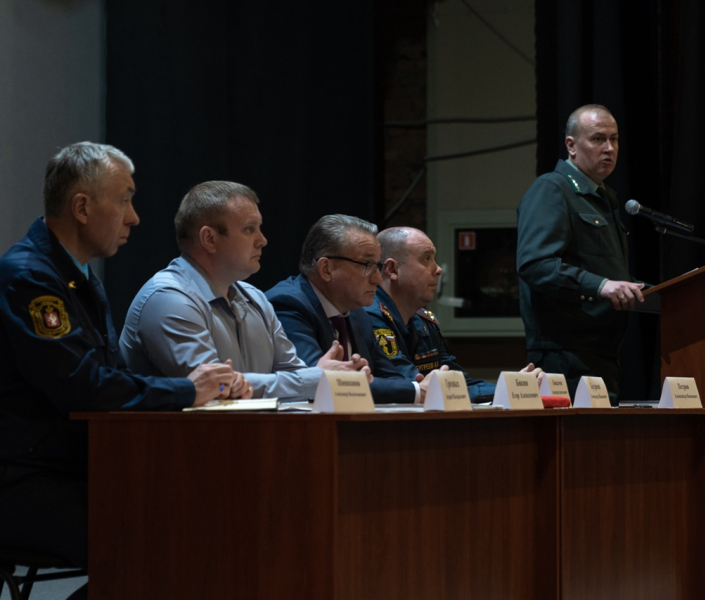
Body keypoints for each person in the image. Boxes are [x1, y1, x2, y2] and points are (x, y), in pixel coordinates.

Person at [0, 142, 235, 600]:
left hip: (70, 468)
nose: (134, 217)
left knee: (200, 519)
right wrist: (187, 391)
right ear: (83, 207)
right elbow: (84, 387)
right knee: (160, 540)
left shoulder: (78, 279)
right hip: (23, 479)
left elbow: (111, 378)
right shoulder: (29, 278)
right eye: (124, 199)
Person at [119, 181, 368, 399]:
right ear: (209, 239)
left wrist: (331, 375)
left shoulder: (256, 298)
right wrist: (316, 378)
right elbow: (216, 389)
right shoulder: (168, 299)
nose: (262, 240)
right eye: (249, 229)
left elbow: (295, 376)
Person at [517, 104, 645, 398]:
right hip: (565, 357)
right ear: (571, 145)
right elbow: (535, 264)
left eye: (614, 139)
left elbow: (608, 272)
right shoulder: (552, 189)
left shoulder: (604, 197)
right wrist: (601, 286)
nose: (609, 148)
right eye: (598, 139)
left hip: (602, 352)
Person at [266, 215, 436, 404]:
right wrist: (415, 391)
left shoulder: (357, 313)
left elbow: (389, 376)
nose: (378, 279)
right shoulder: (288, 305)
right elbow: (323, 381)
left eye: (377, 267)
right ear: (326, 269)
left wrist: (417, 387)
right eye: (368, 266)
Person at [367, 227, 543, 402]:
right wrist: (506, 391)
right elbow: (413, 385)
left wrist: (513, 388)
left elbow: (458, 383)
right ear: (392, 269)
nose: (438, 269)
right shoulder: (370, 317)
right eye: (426, 259)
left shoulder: (423, 320)